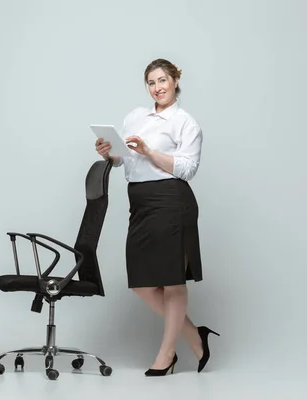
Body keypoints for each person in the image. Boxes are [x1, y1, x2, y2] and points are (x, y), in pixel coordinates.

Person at [95, 58, 219, 376]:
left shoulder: (186, 123)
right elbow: (124, 160)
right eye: (151, 82)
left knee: (173, 281)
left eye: (162, 80)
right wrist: (109, 152)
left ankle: (166, 356)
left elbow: (187, 168)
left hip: (172, 202)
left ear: (175, 80)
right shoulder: (136, 116)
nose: (157, 87)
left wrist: (150, 152)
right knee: (141, 282)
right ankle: (194, 335)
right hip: (139, 203)